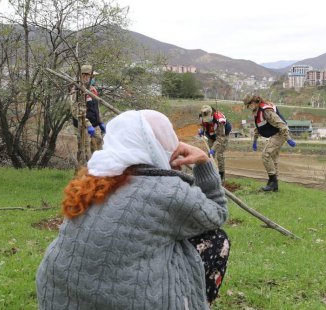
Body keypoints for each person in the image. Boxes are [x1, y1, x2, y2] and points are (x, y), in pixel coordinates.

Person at [36, 110, 229, 309]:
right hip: (128, 302)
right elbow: (217, 212)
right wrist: (204, 162)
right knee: (216, 239)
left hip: (58, 297)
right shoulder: (168, 191)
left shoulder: (94, 180)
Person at [244, 95, 296, 192]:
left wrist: (288, 139)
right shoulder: (257, 111)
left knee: (265, 155)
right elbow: (259, 127)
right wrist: (254, 140)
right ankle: (274, 185)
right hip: (275, 134)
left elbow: (281, 123)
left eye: (248, 105)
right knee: (273, 158)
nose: (248, 107)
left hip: (280, 133)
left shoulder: (266, 110)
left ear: (254, 102)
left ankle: (272, 181)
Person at [68, 64, 105, 164]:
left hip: (95, 124)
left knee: (98, 146)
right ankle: (83, 175)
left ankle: (98, 172)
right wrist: (88, 125)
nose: (93, 79)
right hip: (83, 126)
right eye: (91, 76)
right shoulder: (76, 90)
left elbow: (96, 107)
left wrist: (100, 122)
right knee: (85, 151)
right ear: (84, 76)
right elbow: (75, 111)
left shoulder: (93, 89)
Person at [198, 105, 231, 181]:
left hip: (222, 135)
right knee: (209, 155)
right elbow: (203, 125)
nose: (207, 121)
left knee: (219, 154)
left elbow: (220, 138)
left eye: (208, 119)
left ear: (212, 114)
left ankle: (221, 176)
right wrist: (202, 130)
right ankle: (210, 173)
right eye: (205, 119)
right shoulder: (201, 116)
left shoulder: (219, 120)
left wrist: (213, 148)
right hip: (211, 135)